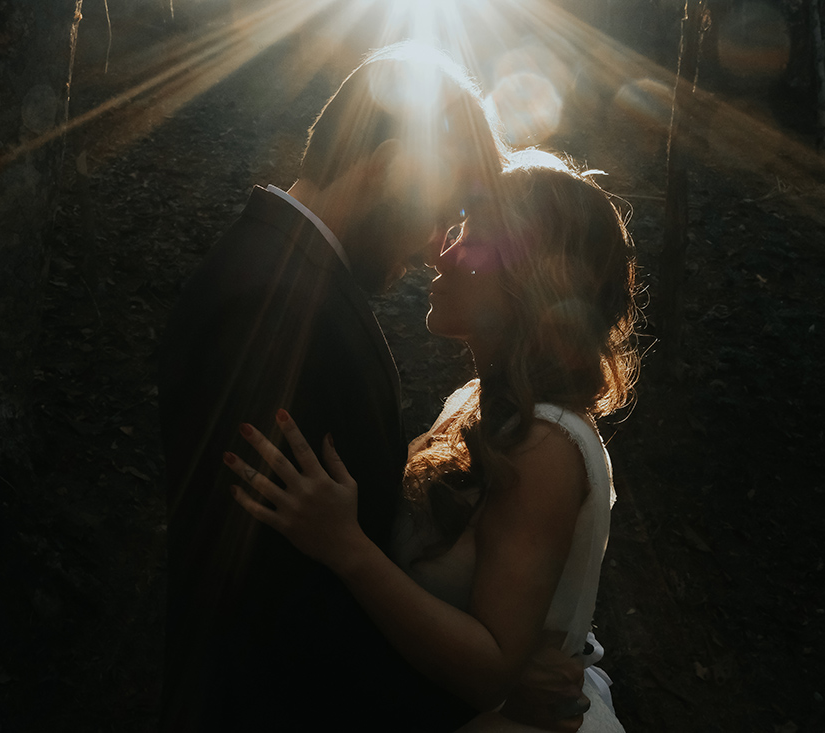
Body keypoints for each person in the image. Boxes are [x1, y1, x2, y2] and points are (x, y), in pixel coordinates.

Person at [157, 44, 585, 732]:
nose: (432, 248)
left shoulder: (292, 281)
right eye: (437, 213)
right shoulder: (275, 308)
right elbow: (288, 611)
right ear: (387, 168)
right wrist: (477, 697)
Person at [226, 149, 640, 732]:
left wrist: (345, 546)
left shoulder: (545, 448)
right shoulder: (475, 402)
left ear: (531, 271)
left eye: (472, 237)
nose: (439, 254)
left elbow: (488, 671)